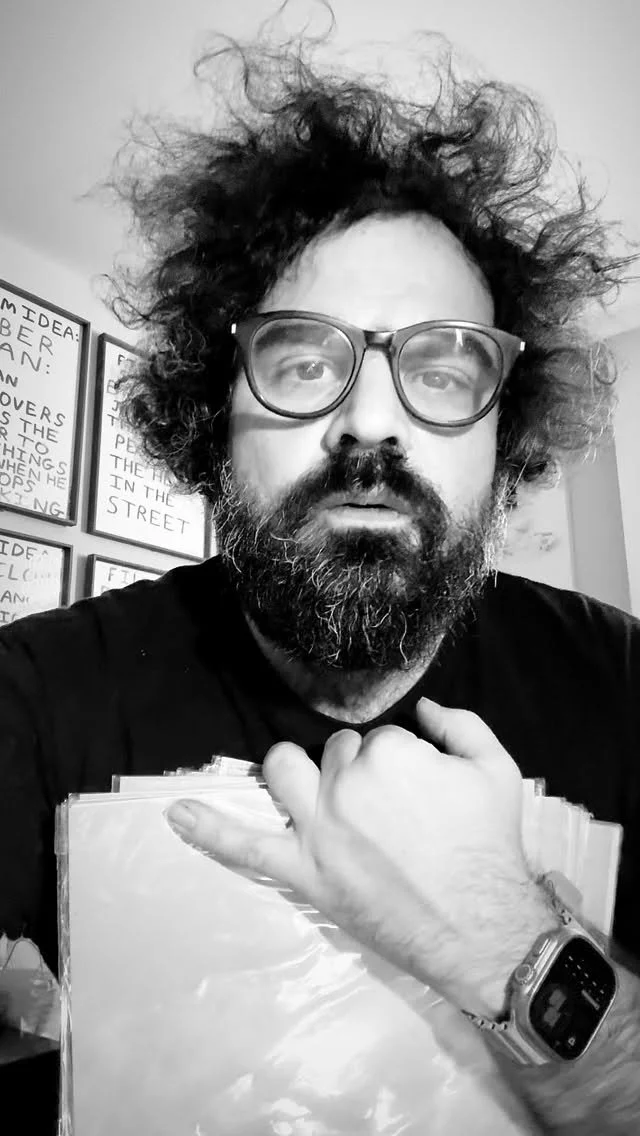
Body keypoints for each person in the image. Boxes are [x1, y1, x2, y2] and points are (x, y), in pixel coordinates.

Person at [1, 29, 640, 1135]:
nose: (370, 421)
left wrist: (507, 941)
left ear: (508, 436)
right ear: (214, 419)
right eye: (302, 360)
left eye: (443, 367)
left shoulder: (626, 686)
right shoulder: (37, 694)